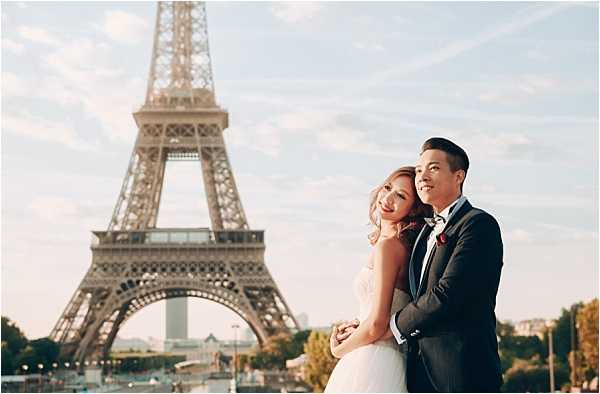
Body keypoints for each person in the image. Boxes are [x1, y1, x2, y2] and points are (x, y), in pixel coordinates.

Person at [390, 137, 504, 392]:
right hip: (419, 376)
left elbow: (448, 294)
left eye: (434, 168)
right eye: (419, 170)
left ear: (459, 176)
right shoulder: (421, 235)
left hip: (464, 375)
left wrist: (392, 325)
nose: (422, 176)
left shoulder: (478, 225)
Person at [325, 166, 432, 393]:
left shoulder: (389, 246)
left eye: (401, 196)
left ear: (413, 209)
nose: (388, 197)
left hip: (372, 357)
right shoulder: (396, 245)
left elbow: (376, 324)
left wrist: (338, 351)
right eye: (388, 187)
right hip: (379, 356)